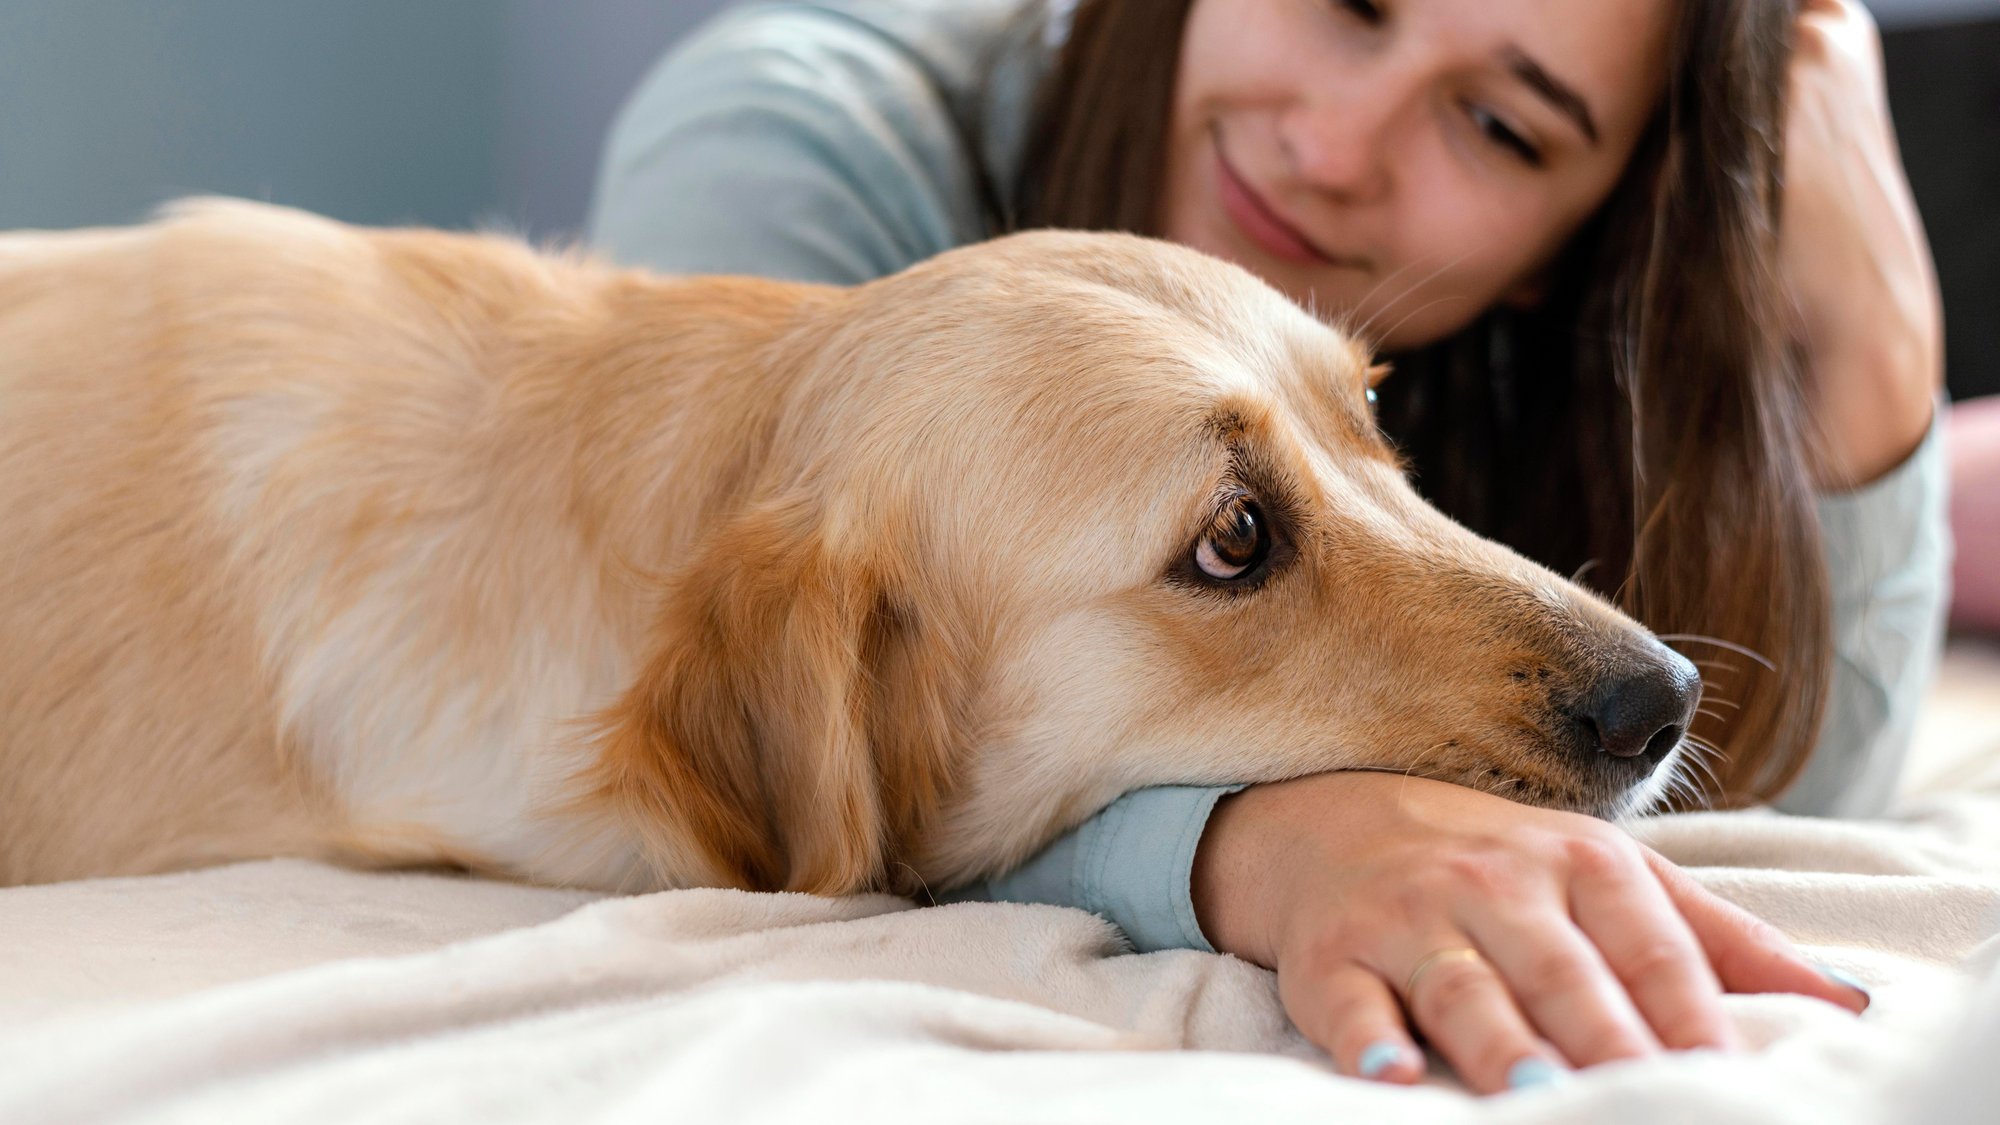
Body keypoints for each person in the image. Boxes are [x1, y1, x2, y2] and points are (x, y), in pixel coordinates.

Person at [587, 0, 1949, 1095]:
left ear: (1570, 241)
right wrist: (1261, 850)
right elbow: (815, 763)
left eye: (1497, 126)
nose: (1337, 143)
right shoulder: (796, 157)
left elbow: (1788, 777)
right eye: (1345, 4)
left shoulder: (1530, 359)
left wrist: (1884, 339)